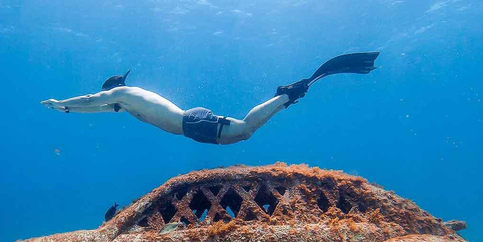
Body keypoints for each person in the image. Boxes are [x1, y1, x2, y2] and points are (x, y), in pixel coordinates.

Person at [41, 52, 379, 145]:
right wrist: (72, 112)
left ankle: (285, 95)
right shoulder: (125, 101)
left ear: (110, 89)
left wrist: (62, 104)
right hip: (191, 126)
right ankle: (285, 98)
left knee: (245, 129)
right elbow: (97, 109)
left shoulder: (122, 92)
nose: (109, 106)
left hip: (190, 122)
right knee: (243, 133)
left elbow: (92, 100)